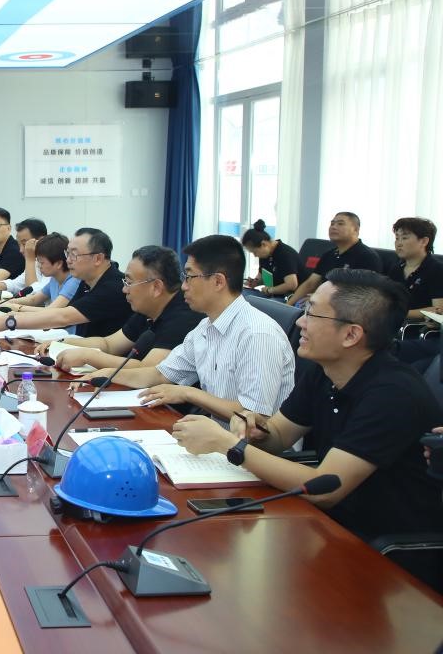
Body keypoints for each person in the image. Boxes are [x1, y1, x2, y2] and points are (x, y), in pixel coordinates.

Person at [171, 269, 443, 544]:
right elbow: (278, 436)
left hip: (382, 545)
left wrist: (228, 444)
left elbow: (325, 489)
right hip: (325, 525)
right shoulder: (324, 371)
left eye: (312, 313)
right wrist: (253, 428)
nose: (300, 321)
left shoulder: (393, 394)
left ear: (351, 335)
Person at [88, 234, 294, 421]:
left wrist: (188, 393)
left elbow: (254, 415)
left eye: (189, 277)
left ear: (218, 281)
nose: (184, 286)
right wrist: (105, 375)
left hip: (251, 447)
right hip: (216, 439)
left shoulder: (257, 334)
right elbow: (159, 375)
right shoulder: (205, 328)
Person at [51, 245, 204, 371]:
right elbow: (109, 344)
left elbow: (147, 370)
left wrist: (88, 356)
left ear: (156, 287)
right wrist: (62, 342)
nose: (124, 289)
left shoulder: (185, 316)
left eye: (129, 283)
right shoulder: (148, 308)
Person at [0, 227, 129, 337]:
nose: (68, 260)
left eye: (74, 254)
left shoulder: (112, 287)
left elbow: (63, 317)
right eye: (67, 253)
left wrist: (9, 321)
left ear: (98, 259)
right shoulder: (85, 281)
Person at [289, 212, 382, 306]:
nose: (333, 227)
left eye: (340, 224)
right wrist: (288, 305)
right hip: (322, 302)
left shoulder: (367, 256)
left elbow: (363, 295)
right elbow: (311, 283)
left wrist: (321, 298)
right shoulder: (329, 255)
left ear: (356, 230)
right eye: (332, 224)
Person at [0, 233, 80, 312]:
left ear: (58, 264)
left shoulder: (73, 281)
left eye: (42, 262)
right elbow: (33, 300)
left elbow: (51, 311)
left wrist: (16, 307)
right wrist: (6, 302)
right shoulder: (54, 279)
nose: (38, 266)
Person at [387, 217, 443, 321]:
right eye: (397, 238)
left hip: (417, 328)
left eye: (404, 238)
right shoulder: (396, 268)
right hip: (392, 324)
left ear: (424, 241)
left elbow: (438, 311)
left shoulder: (437, 270)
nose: (399, 243)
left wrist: (398, 314)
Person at [0, 217, 47, 294]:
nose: (21, 250)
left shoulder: (53, 260)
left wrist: (30, 259)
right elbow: (18, 283)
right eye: (19, 244)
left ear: (41, 240)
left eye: (24, 244)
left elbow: (33, 292)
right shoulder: (37, 260)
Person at [241, 219, 300, 299]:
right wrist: (255, 282)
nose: (255, 255)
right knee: (241, 294)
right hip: (273, 294)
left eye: (255, 252)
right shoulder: (265, 254)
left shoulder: (284, 254)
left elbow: (292, 285)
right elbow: (262, 277)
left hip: (289, 297)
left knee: (256, 302)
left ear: (263, 244)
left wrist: (269, 290)